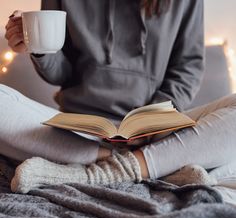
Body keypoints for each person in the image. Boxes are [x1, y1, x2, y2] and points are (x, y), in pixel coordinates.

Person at [2, 0, 236, 194]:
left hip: (156, 132)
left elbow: (188, 67)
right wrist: (40, 48)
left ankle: (102, 169)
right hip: (77, 130)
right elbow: (63, 73)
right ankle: (156, 166)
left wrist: (153, 122)